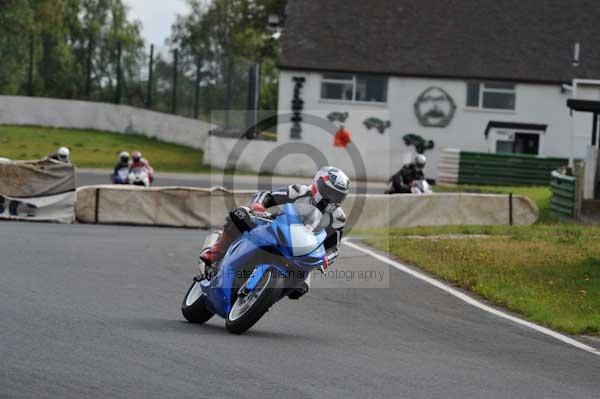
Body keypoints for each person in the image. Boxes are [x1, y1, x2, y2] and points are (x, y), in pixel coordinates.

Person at [199, 166, 350, 299]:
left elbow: (334, 247)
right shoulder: (299, 191)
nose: (332, 198)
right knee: (241, 214)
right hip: (277, 227)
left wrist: (326, 259)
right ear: (319, 185)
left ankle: (263, 298)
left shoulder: (338, 217)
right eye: (329, 192)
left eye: (337, 196)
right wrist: (259, 205)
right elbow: (267, 196)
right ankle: (217, 251)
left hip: (302, 250)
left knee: (300, 288)